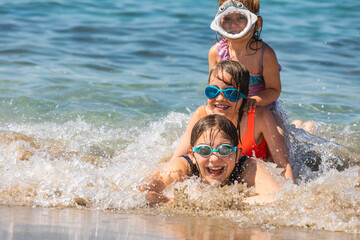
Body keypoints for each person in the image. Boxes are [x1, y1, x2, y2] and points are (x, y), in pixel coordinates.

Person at [171, 60, 295, 182]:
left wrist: (292, 193)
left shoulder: (259, 117)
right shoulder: (201, 115)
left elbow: (283, 165)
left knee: (281, 135)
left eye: (230, 93)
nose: (220, 98)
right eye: (213, 91)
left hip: (258, 164)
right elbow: (177, 159)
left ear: (244, 96)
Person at [208, 0, 314, 133]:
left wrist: (254, 101)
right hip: (230, 108)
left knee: (280, 134)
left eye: (241, 17)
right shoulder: (216, 53)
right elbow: (214, 89)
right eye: (227, 17)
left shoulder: (265, 54)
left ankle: (303, 129)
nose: (233, 23)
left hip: (263, 109)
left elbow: (274, 90)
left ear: (257, 23)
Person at [140, 114, 281, 205]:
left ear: (237, 155)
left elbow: (277, 198)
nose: (214, 159)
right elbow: (143, 193)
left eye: (224, 150)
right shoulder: (182, 167)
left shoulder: (248, 166)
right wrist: (182, 204)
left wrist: (224, 203)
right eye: (204, 151)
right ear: (192, 155)